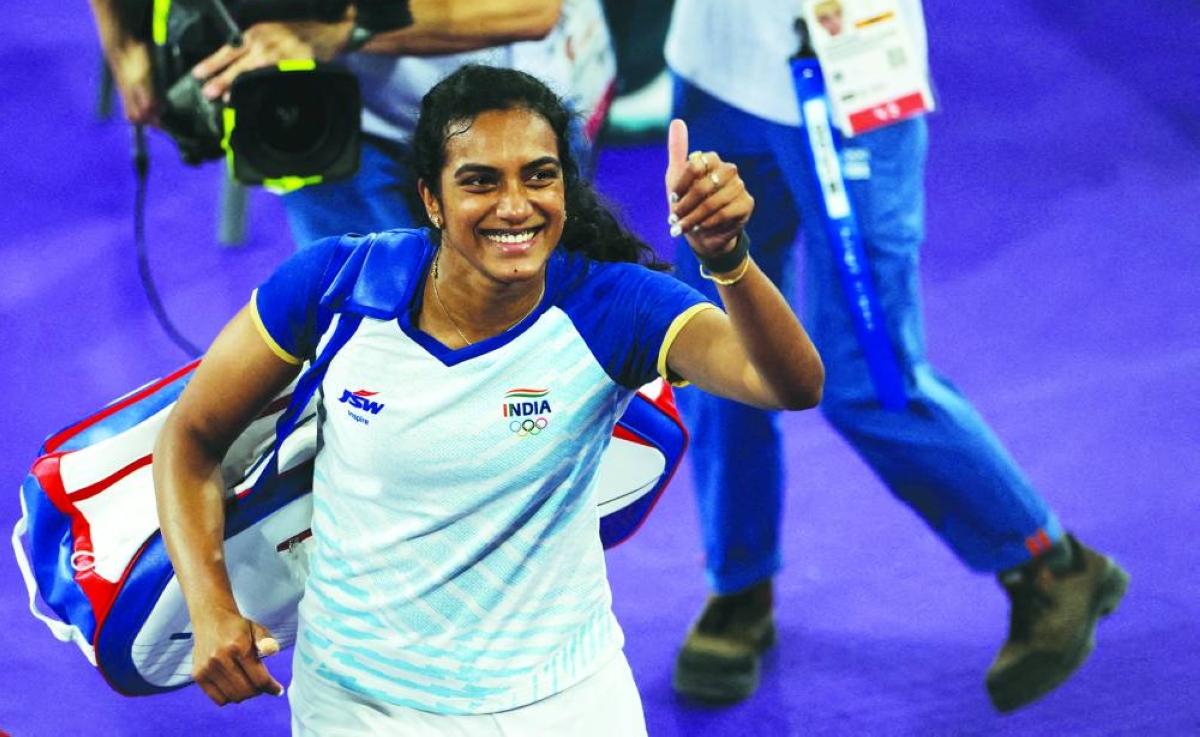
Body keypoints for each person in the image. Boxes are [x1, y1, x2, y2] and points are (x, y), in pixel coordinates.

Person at [151, 64, 824, 733]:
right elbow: (192, 437)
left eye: (539, 174)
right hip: (360, 706)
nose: (514, 205)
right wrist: (211, 608)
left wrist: (728, 257)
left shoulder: (615, 305)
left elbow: (788, 384)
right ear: (432, 199)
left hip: (563, 703)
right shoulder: (336, 284)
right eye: (480, 181)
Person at [663, 0, 1130, 712]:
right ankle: (740, 584)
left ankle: (1049, 560)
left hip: (846, 69)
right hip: (715, 59)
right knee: (717, 349)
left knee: (870, 379)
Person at [68, 0, 612, 247]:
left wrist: (341, 29)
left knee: (518, 354)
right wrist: (122, 38)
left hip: (496, 114)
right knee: (363, 347)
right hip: (310, 111)